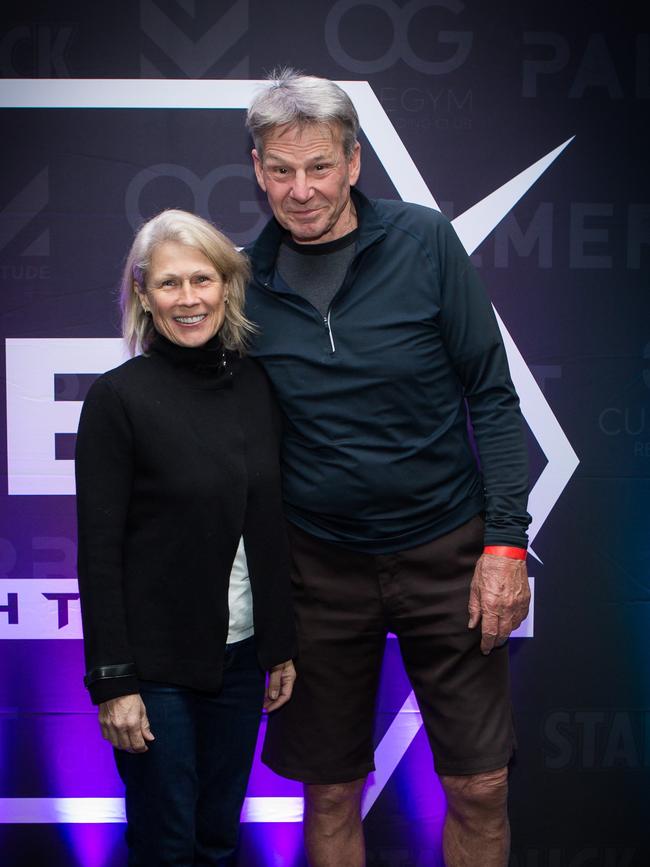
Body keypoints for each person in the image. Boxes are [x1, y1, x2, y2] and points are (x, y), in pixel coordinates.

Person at [244, 70, 531, 867]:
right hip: (318, 567)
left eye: (320, 166)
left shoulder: (425, 240)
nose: (301, 190)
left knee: (480, 786)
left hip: (449, 553)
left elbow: (493, 398)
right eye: (280, 169)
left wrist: (505, 544)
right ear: (258, 168)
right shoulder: (240, 283)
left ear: (354, 162)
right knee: (330, 790)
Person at [75, 208, 297, 866]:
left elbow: (269, 520)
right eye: (169, 283)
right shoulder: (118, 399)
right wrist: (114, 681)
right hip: (155, 669)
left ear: (227, 286)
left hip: (241, 659)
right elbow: (98, 550)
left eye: (203, 278)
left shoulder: (257, 385)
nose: (189, 298)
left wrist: (279, 644)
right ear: (142, 293)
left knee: (219, 837)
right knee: (167, 842)